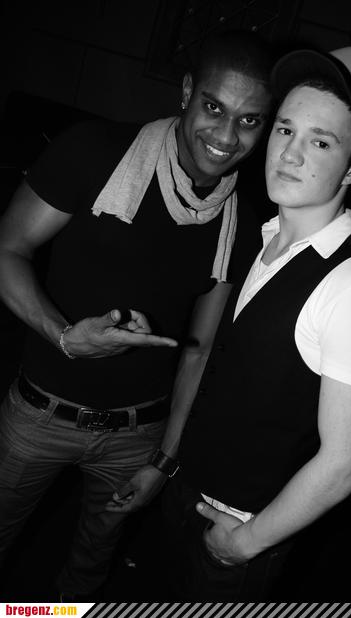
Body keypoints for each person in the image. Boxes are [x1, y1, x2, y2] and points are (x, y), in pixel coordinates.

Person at [111, 45, 351, 600]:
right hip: (184, 496)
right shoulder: (264, 238)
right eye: (285, 129)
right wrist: (166, 467)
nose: (289, 153)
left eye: (320, 142)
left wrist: (243, 544)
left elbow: (345, 464)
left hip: (239, 533)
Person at [0, 30, 274, 600]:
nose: (226, 136)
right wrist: (64, 336)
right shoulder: (93, 151)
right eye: (214, 107)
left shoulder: (242, 220)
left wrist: (165, 460)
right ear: (187, 92)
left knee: (88, 571)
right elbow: (8, 249)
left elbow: (199, 352)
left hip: (137, 434)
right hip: (40, 415)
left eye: (249, 120)